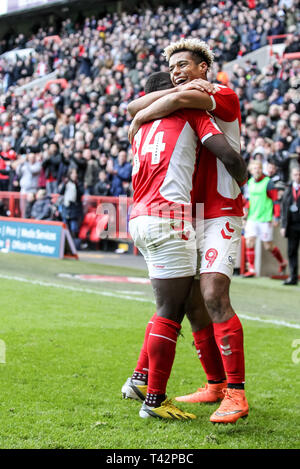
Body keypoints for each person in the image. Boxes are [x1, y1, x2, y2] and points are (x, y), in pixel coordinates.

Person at [126, 38, 250, 424]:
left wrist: (137, 116)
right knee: (191, 304)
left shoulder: (220, 95)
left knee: (212, 293)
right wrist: (142, 110)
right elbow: (146, 105)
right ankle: (213, 384)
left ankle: (236, 393)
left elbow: (145, 106)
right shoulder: (182, 104)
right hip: (188, 213)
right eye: (173, 67)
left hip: (219, 211)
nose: (179, 71)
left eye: (185, 65)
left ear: (204, 69)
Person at [243, 160, 287, 277]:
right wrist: (245, 212)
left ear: (261, 169)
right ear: (250, 171)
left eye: (258, 168)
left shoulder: (269, 182)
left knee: (268, 246)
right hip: (252, 218)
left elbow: (275, 201)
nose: (257, 170)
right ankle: (252, 269)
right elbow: (249, 200)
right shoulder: (250, 182)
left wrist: (276, 217)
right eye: (254, 168)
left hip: (265, 219)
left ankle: (282, 262)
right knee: (249, 241)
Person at [280, 166, 300, 285]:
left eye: (299, 174)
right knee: (291, 252)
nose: (298, 176)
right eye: (296, 174)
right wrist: (283, 226)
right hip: (291, 226)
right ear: (292, 175)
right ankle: (293, 277)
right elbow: (283, 209)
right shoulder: (288, 189)